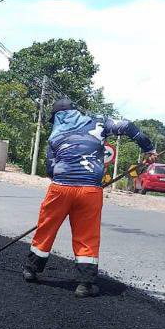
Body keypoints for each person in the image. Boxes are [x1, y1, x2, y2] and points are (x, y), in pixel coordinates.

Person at [22, 98, 157, 297]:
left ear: (57, 117)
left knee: (46, 227)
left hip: (60, 188)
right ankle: (84, 284)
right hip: (90, 191)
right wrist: (148, 149)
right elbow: (127, 126)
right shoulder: (98, 122)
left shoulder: (54, 136)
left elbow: (51, 169)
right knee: (87, 235)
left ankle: (31, 269)